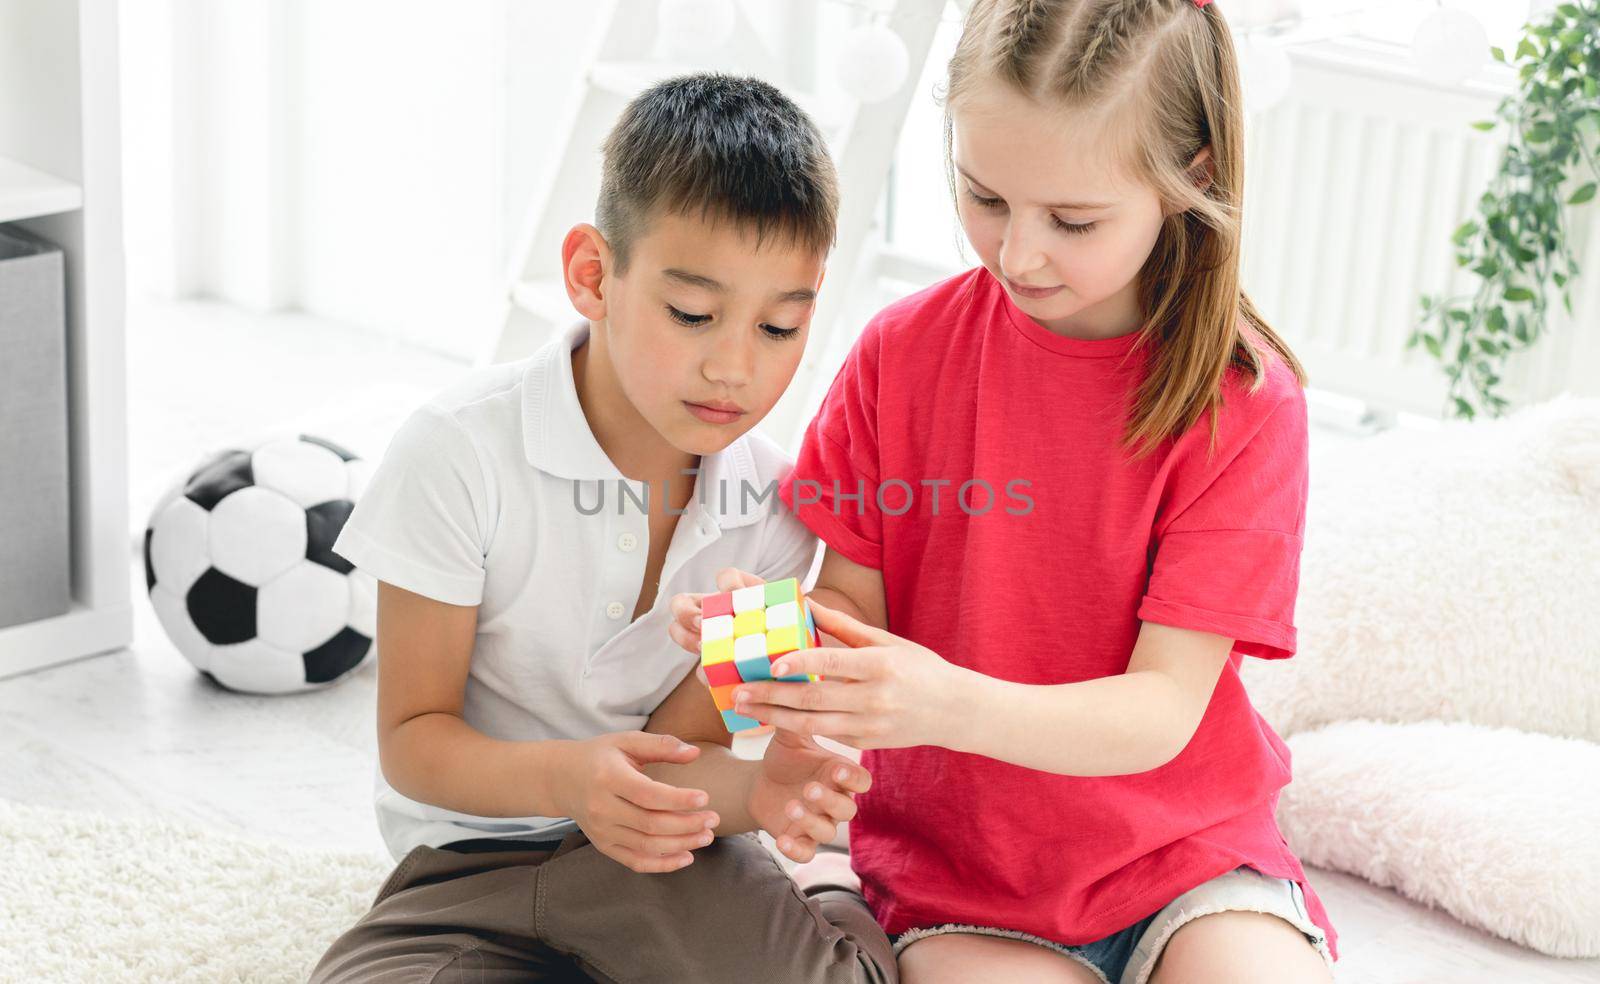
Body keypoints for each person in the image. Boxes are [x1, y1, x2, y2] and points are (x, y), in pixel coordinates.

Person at [669, 2, 1338, 981]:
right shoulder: (901, 355)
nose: (1017, 253)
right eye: (983, 196)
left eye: (1072, 220)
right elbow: (853, 615)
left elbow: (1160, 709)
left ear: (1188, 176)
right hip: (959, 874)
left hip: (1184, 857)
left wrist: (942, 702)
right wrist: (757, 641)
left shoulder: (1241, 401)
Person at [310, 73, 896, 984]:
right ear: (593, 275)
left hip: (671, 857)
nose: (734, 366)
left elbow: (683, 757)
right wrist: (567, 781)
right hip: (469, 868)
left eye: (781, 327)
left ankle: (823, 895)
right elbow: (413, 738)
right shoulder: (455, 450)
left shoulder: (782, 513)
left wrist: (763, 792)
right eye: (693, 314)